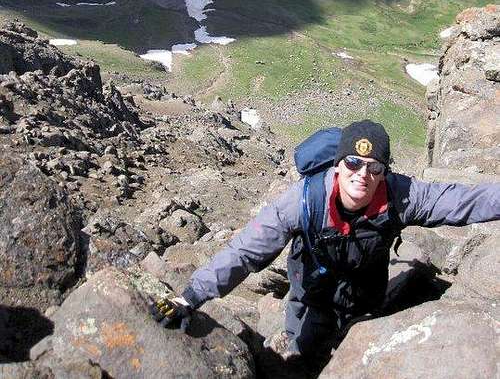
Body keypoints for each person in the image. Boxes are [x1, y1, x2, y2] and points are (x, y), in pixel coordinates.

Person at [150, 120, 500, 360]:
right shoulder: (304, 200)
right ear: (337, 165)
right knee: (302, 350)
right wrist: (190, 296)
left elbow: (464, 202)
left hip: (365, 295)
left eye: (374, 167)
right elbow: (245, 251)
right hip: (310, 294)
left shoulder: (402, 196)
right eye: (353, 162)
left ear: (385, 173)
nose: (362, 174)